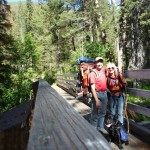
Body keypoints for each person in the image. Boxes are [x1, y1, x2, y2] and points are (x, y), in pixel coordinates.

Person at [89, 57, 108, 134]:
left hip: (104, 93)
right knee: (95, 113)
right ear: (95, 64)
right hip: (97, 94)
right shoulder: (93, 73)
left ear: (102, 63)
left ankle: (100, 127)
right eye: (98, 62)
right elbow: (92, 88)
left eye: (101, 62)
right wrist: (96, 100)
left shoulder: (104, 70)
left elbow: (111, 68)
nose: (99, 63)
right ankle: (93, 130)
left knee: (103, 112)